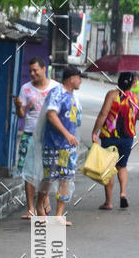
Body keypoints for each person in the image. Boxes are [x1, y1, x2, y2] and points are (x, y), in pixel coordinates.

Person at [35, 65, 83, 225]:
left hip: (68, 148)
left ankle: (59, 215)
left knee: (66, 179)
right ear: (71, 79)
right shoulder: (57, 93)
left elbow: (75, 121)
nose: (80, 81)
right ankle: (40, 205)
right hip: (53, 144)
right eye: (79, 78)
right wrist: (66, 134)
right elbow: (51, 114)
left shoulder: (74, 97)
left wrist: (72, 137)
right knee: (49, 178)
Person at [14, 57, 58, 218]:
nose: (32, 73)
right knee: (29, 172)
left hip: (48, 136)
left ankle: (44, 200)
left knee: (47, 171)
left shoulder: (55, 87)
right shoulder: (26, 89)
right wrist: (18, 106)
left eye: (35, 70)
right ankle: (31, 208)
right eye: (30, 71)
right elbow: (21, 114)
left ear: (43, 69)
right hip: (30, 133)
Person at [91, 71, 138, 209]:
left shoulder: (112, 95)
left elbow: (103, 114)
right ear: (132, 84)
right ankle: (123, 193)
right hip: (127, 138)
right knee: (122, 166)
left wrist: (95, 132)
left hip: (109, 136)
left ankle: (109, 202)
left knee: (109, 168)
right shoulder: (135, 98)